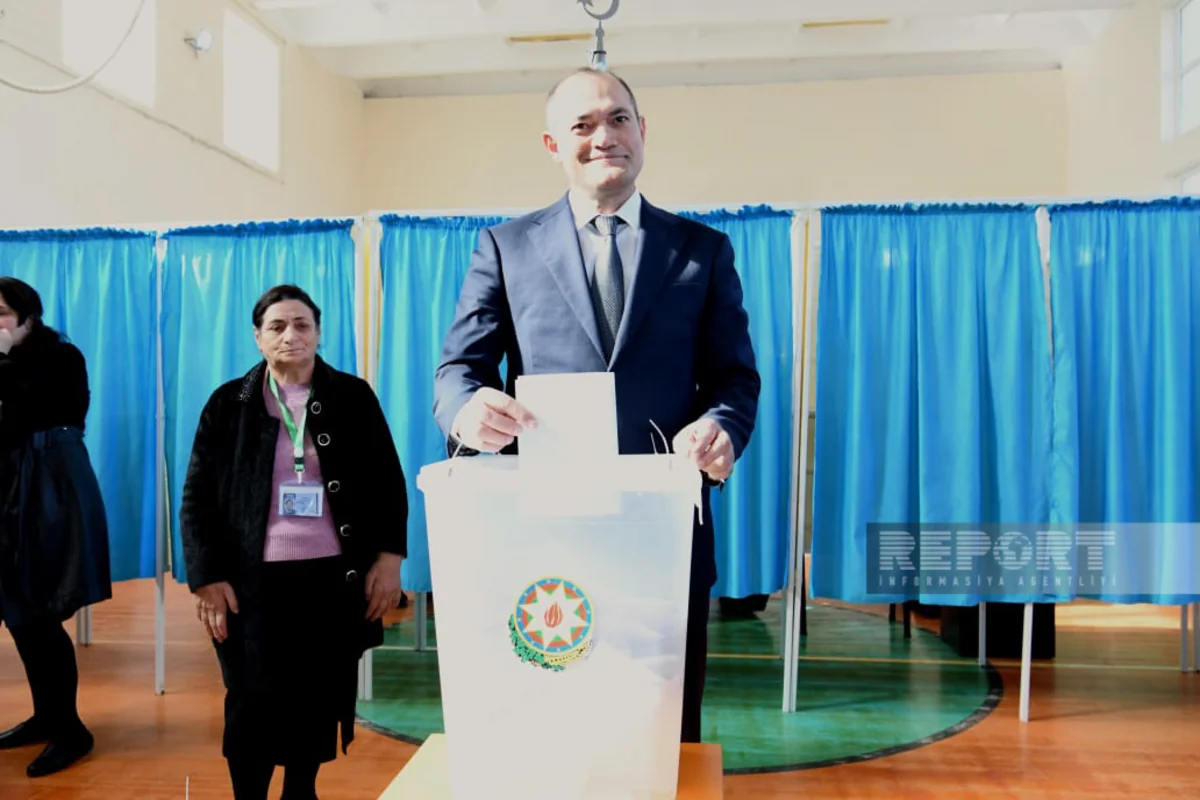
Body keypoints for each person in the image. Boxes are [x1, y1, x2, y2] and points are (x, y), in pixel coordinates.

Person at [432, 67, 760, 743]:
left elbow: (735, 379)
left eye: (617, 119)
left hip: (663, 534)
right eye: (581, 125)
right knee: (551, 721)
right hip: (543, 535)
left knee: (661, 725)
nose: (602, 136)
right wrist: (468, 412)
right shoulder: (506, 247)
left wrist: (721, 426)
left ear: (643, 132)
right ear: (553, 145)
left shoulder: (702, 250)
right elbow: (458, 373)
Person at [180, 284, 406, 800]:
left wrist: (389, 559)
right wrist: (206, 577)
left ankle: (301, 791)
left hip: (331, 574)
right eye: (277, 326)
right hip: (249, 581)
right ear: (257, 337)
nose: (291, 335)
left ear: (319, 333)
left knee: (316, 696)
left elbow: (387, 484)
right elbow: (197, 496)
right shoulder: (228, 403)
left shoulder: (352, 396)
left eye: (302, 324)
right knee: (250, 697)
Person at [0, 276, 109, 777]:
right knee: (19, 613)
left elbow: (47, 411)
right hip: (9, 492)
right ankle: (48, 716)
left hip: (51, 493)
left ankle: (70, 730)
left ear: (27, 315)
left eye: (1, 314)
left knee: (41, 615)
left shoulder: (61, 356)